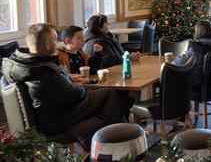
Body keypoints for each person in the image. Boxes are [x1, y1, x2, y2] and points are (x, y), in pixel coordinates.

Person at [1, 24, 132, 149]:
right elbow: (75, 95)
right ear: (47, 44)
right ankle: (96, 139)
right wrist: (70, 81)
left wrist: (65, 77)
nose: (57, 42)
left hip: (43, 115)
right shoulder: (44, 71)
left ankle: (96, 139)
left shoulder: (20, 65)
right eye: (54, 39)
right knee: (112, 94)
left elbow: (53, 89)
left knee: (109, 99)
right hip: (56, 120)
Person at [172, 20, 211, 95]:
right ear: (210, 30)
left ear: (197, 31)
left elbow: (178, 62)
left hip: (198, 86)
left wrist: (170, 62)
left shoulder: (197, 46)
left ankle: (180, 105)